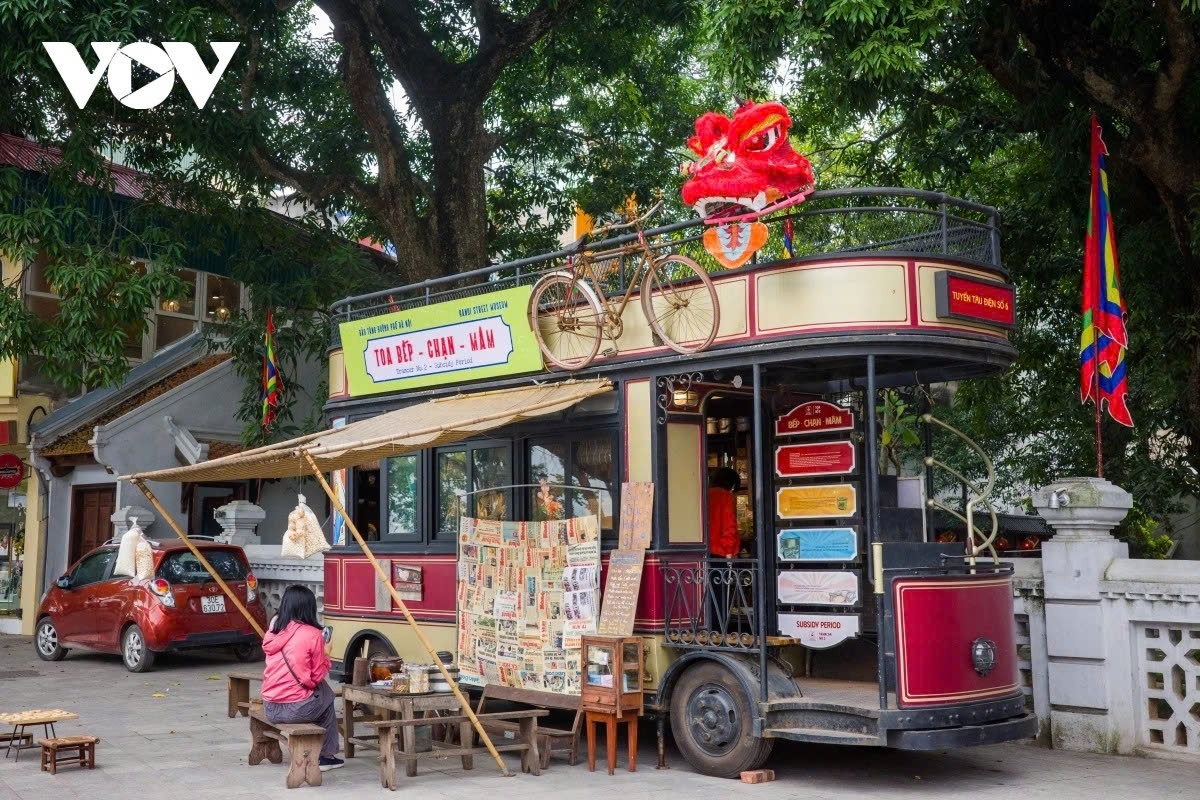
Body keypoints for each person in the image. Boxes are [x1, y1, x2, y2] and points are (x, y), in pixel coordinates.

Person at [261, 585, 343, 772]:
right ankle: (325, 756)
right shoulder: (312, 634)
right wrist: (327, 654)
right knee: (326, 696)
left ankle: (319, 751)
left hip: (271, 708)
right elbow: (315, 678)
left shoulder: (273, 629)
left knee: (320, 697)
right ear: (309, 608)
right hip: (295, 710)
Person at [708, 467, 741, 559]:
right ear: (732, 485)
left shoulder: (704, 494)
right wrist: (729, 551)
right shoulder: (726, 496)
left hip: (705, 550)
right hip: (721, 551)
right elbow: (728, 526)